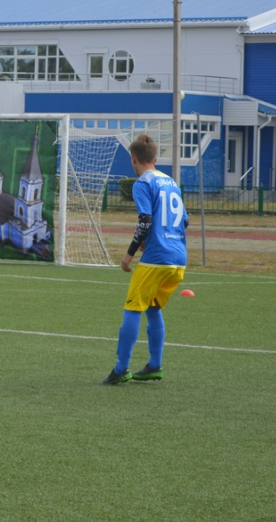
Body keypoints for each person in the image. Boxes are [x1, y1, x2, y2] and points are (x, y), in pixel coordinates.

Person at [103, 133, 188, 385]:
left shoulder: (142, 183)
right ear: (156, 157)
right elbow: (184, 221)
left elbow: (145, 221)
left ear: (133, 159)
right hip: (179, 257)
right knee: (152, 307)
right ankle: (154, 365)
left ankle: (121, 369)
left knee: (132, 308)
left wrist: (129, 254)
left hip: (157, 258)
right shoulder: (172, 182)